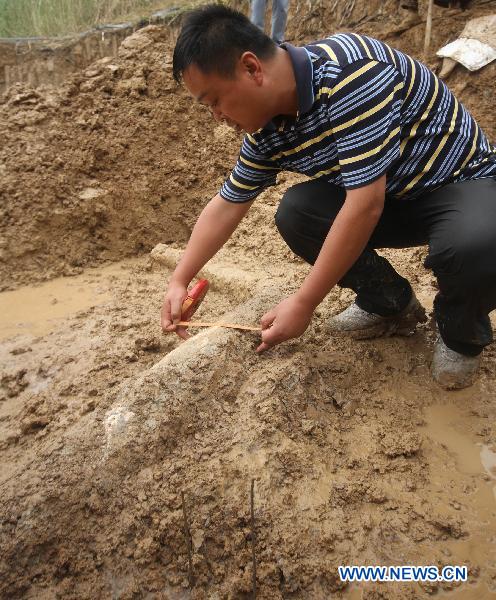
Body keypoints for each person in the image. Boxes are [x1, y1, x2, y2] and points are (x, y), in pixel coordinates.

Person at [161, 4, 496, 390]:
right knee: (297, 212)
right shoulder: (267, 130)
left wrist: (304, 304)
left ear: (251, 68)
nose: (217, 115)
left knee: (475, 245)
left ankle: (460, 334)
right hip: (390, 197)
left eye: (214, 100)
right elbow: (228, 203)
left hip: (458, 187)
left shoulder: (352, 73)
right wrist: (180, 278)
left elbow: (364, 205)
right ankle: (390, 304)